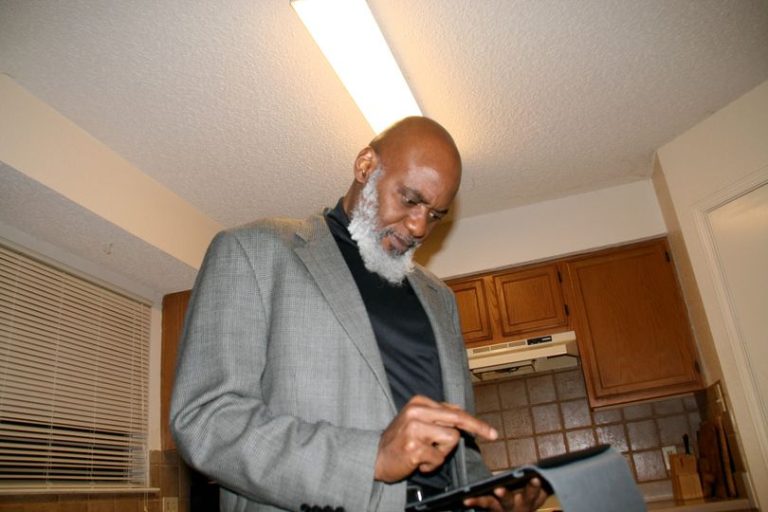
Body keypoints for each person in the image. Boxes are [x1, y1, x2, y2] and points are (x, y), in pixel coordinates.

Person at [170, 117, 549, 512]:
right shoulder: (254, 252)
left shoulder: (441, 299)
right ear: (365, 166)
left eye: (435, 215)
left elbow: (457, 448)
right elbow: (205, 421)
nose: (419, 227)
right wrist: (371, 458)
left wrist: (488, 493)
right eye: (410, 199)